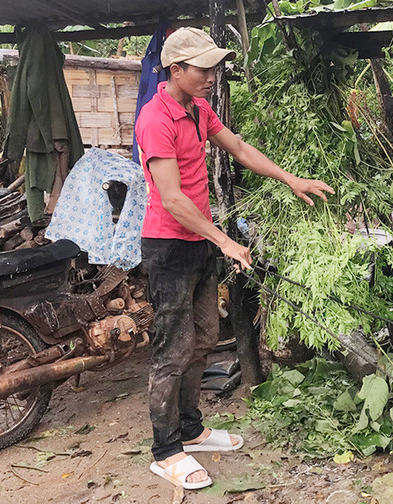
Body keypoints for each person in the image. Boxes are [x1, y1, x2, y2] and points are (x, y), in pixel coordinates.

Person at [135, 27, 334, 490]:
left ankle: (190, 429)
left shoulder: (198, 108)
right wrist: (225, 241)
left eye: (212, 67)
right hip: (168, 246)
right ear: (176, 69)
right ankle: (165, 450)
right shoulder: (155, 118)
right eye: (202, 68)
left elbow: (239, 148)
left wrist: (291, 179)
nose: (211, 75)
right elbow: (171, 199)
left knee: (204, 337)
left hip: (199, 241)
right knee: (171, 350)